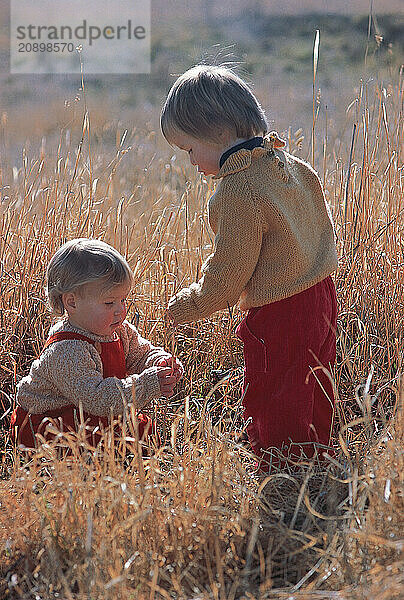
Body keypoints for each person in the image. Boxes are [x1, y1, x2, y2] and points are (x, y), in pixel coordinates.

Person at [161, 65, 338, 469]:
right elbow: (320, 223)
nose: (190, 161)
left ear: (217, 134)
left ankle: (281, 465)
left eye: (190, 149)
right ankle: (318, 453)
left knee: (275, 386)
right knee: (316, 378)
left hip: (281, 310)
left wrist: (188, 305)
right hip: (321, 294)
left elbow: (229, 272)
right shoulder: (288, 164)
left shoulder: (237, 190)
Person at [11, 238, 183, 450]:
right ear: (72, 302)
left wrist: (158, 361)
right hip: (52, 423)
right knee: (102, 442)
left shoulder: (117, 329)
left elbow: (139, 353)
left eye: (123, 300)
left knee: (141, 433)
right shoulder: (67, 350)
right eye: (109, 303)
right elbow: (98, 398)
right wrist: (145, 385)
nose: (120, 310)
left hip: (92, 413)